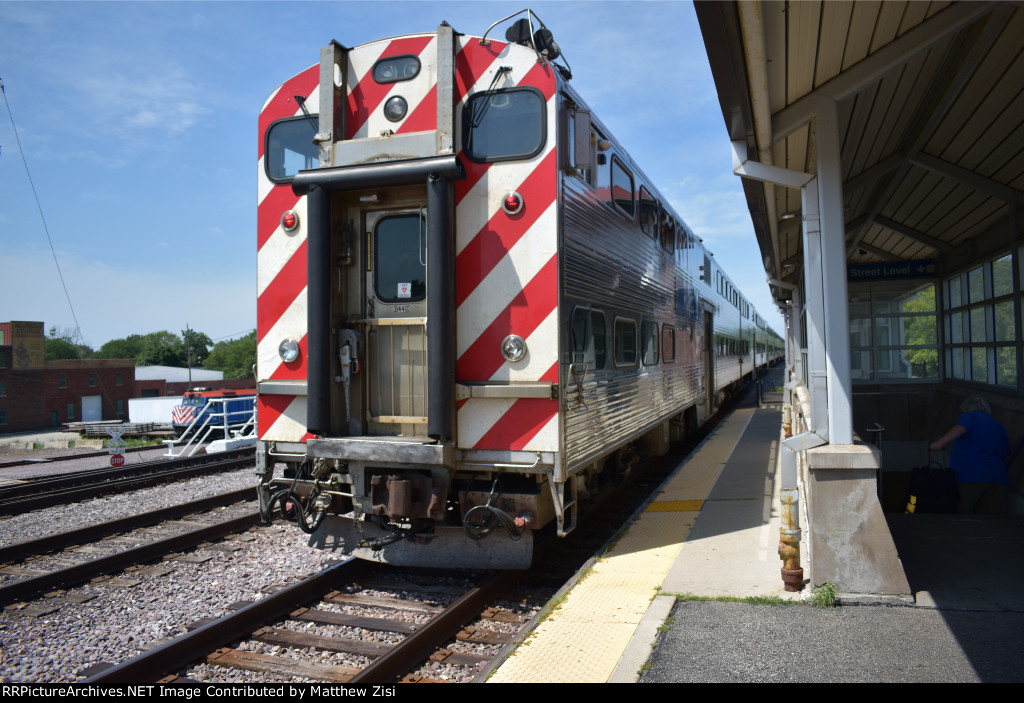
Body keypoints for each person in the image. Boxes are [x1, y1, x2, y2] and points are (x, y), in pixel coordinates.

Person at [930, 396, 1011, 513]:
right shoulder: (998, 426)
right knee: (992, 517)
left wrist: (939, 443)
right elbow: (1006, 455)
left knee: (965, 512)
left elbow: (961, 428)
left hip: (971, 474)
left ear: (966, 408)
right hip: (997, 476)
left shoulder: (969, 417)